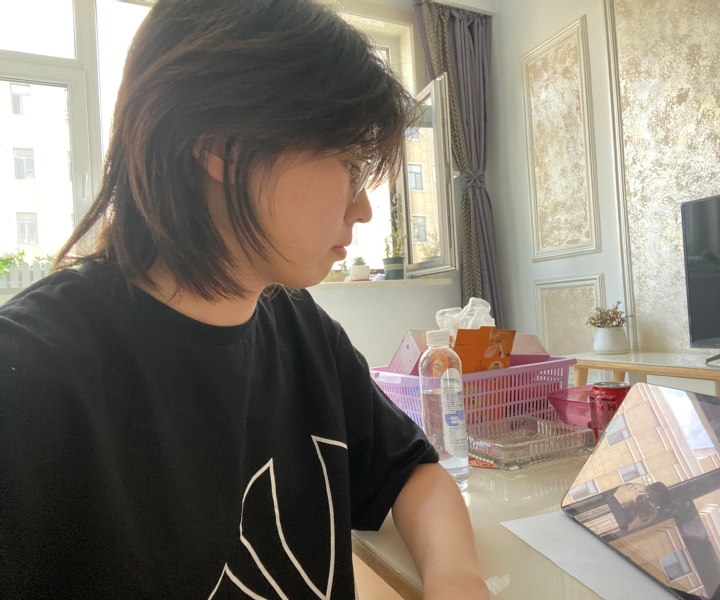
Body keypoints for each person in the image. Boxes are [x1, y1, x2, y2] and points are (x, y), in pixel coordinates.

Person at [0, 1, 489, 598]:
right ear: (222, 144)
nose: (362, 209)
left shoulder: (302, 330)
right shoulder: (30, 379)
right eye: (349, 165)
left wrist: (455, 575)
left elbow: (412, 472)